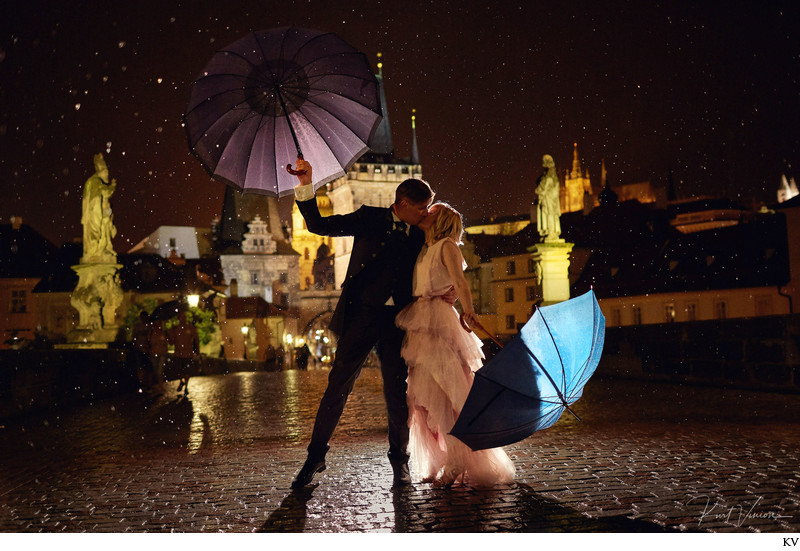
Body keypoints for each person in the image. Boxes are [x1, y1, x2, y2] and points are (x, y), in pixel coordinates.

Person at [290, 158, 436, 489]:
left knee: (397, 393)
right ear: (401, 204)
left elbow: (440, 263)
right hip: (362, 314)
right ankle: (315, 458)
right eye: (420, 208)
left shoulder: (421, 232)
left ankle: (400, 462)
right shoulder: (369, 217)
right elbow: (317, 225)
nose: (425, 214)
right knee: (337, 386)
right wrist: (305, 184)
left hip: (397, 320)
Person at [396, 202, 515, 486]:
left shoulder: (447, 245)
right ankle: (439, 459)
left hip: (437, 319)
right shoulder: (425, 248)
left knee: (447, 393)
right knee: (424, 396)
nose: (425, 213)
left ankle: (457, 461)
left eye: (432, 211)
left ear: (443, 221)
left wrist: (469, 309)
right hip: (422, 320)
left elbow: (461, 282)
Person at [170, 311, 199, 396]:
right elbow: (171, 342)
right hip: (178, 353)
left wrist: (197, 349)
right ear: (179, 319)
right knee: (178, 371)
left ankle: (186, 386)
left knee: (187, 371)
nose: (183, 319)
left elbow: (196, 339)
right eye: (181, 317)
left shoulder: (190, 328)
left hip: (188, 354)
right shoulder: (175, 329)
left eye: (184, 317)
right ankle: (182, 382)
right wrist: (171, 332)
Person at [535, 154, 561, 241]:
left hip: (549, 199)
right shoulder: (549, 175)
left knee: (550, 214)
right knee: (548, 214)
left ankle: (551, 232)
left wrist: (540, 190)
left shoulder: (550, 176)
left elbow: (544, 187)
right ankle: (549, 232)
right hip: (547, 199)